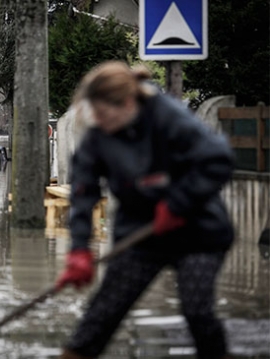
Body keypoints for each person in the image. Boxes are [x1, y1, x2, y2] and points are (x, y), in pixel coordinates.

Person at [55, 61, 235, 359]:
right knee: (103, 312)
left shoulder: (166, 115)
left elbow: (218, 159)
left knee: (197, 310)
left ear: (126, 103)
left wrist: (178, 204)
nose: (97, 122)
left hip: (198, 230)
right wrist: (78, 250)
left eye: (102, 113)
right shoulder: (98, 135)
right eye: (93, 115)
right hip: (140, 232)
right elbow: (83, 193)